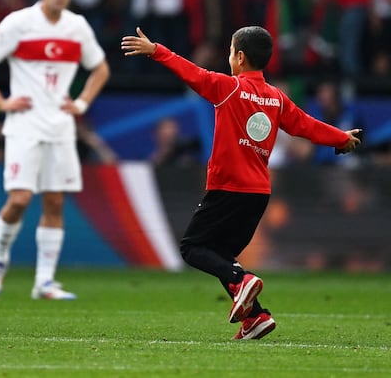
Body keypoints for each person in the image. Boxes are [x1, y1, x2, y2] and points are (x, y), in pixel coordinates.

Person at [121, 25, 361, 340]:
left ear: (240, 57)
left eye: (231, 51)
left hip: (227, 187)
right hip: (258, 192)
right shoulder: (276, 98)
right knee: (220, 254)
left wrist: (157, 51)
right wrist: (340, 137)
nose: (228, 57)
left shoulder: (228, 87)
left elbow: (192, 73)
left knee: (193, 247)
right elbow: (306, 126)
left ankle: (241, 280)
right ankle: (256, 317)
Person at [0, 0, 110, 300]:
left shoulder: (77, 27)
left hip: (60, 126)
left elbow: (101, 68)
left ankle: (44, 282)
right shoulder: (20, 23)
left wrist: (81, 104)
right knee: (18, 199)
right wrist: (1, 102)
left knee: (55, 202)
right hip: (25, 125)